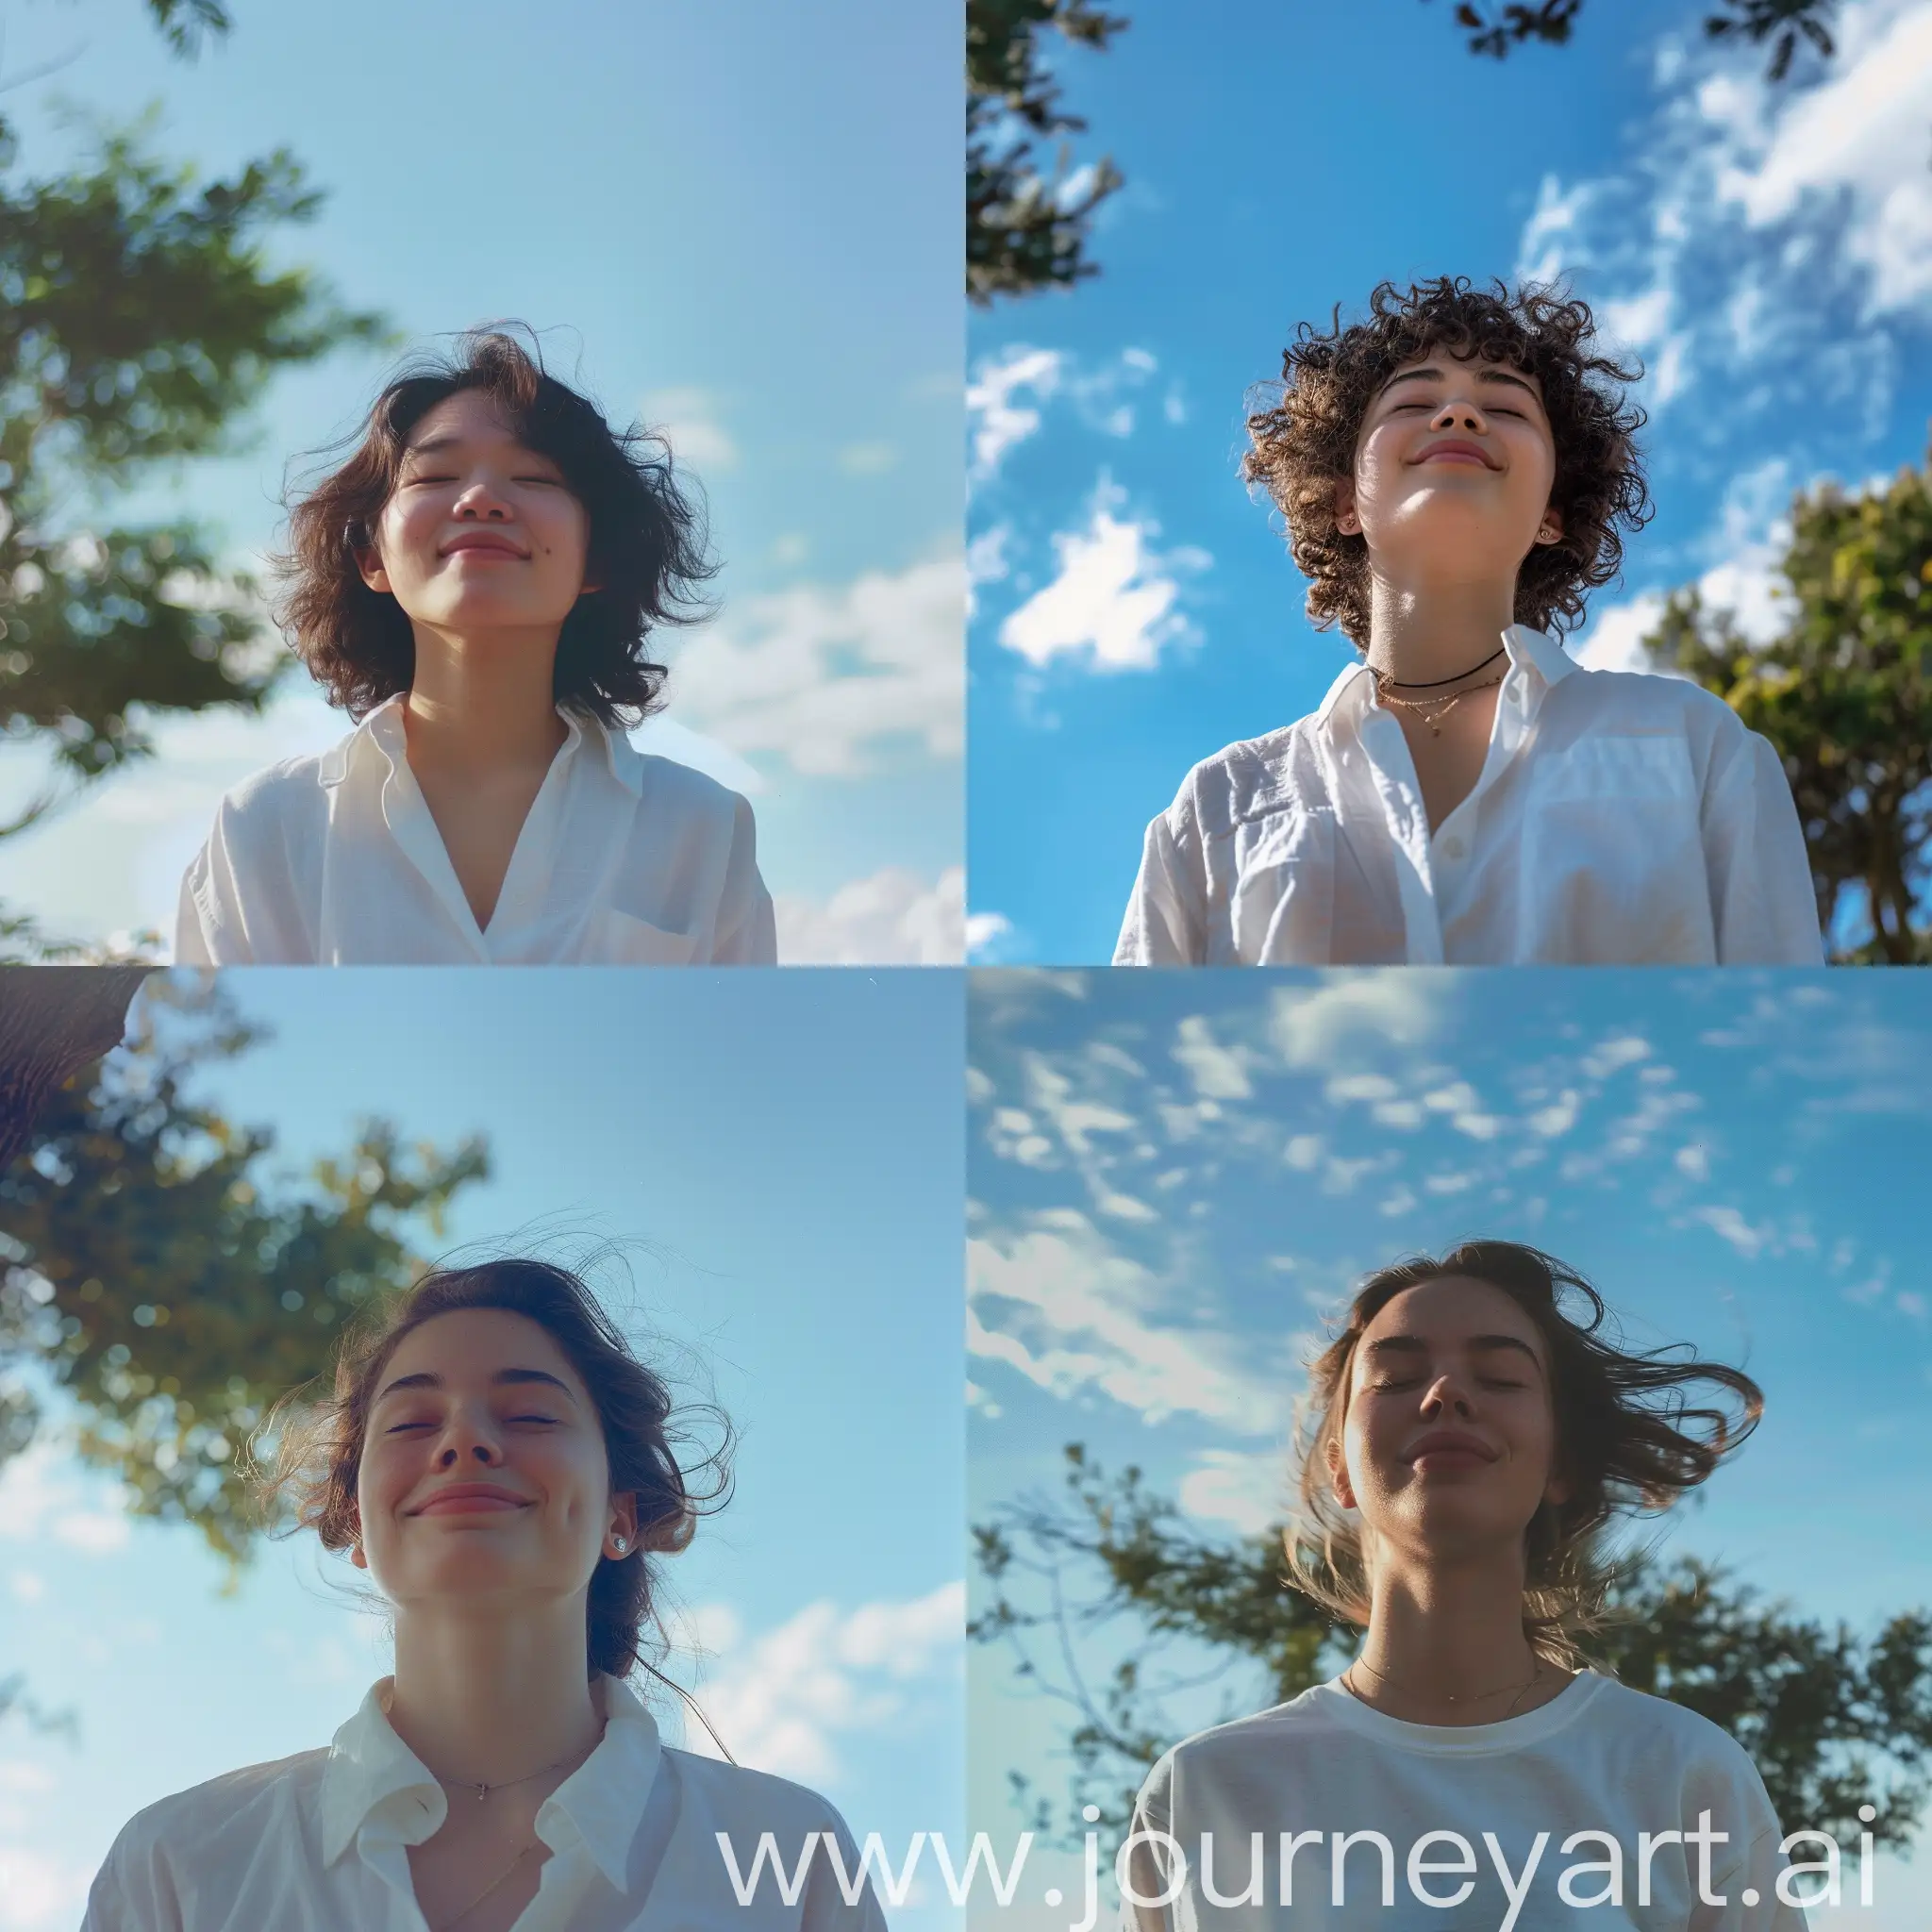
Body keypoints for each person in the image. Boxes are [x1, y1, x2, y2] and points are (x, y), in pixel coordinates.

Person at [82, 1259, 884, 1931]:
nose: (465, 1440)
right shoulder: (178, 1866)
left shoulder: (789, 1859)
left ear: (621, 1515)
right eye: (410, 1423)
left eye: (531, 1413)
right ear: (355, 1523)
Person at [1113, 278, 1824, 966]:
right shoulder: (1215, 814)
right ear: (1344, 503)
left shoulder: (1693, 750)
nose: (1459, 416)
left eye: (1507, 408)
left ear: (1552, 514)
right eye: (1416, 399)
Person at [1122, 1241, 1811, 1929]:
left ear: (1560, 1463)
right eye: (1394, 1377)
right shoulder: (1205, 1792)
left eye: (1501, 1378)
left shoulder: (1680, 1772)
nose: (1445, 1392)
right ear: (1340, 1467)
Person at [175, 330, 776, 964]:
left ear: (596, 557)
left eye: (533, 476)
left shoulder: (702, 828)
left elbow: (739, 1055)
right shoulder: (266, 827)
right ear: (371, 556)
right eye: (435, 473)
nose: (482, 499)